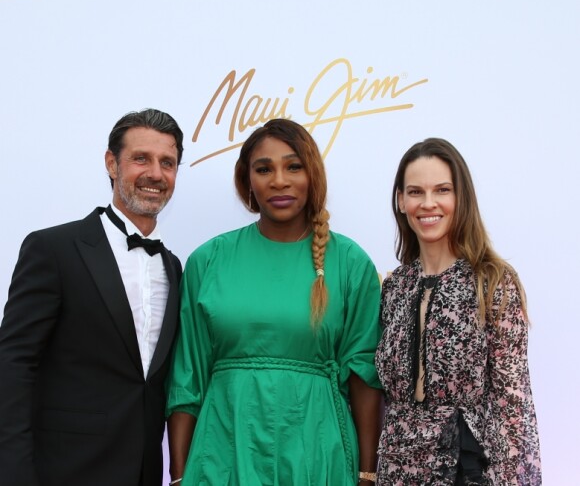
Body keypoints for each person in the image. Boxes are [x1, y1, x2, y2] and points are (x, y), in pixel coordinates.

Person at [166, 118, 382, 485]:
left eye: (293, 166)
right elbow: (188, 377)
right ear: (247, 180)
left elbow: (364, 374)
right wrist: (179, 474)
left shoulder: (350, 263)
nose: (279, 180)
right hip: (222, 454)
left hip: (318, 452)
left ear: (312, 174)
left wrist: (367, 473)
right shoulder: (208, 261)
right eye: (264, 169)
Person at [0, 108, 184, 486]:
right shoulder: (53, 249)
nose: (155, 173)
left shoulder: (174, 266)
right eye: (141, 159)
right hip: (63, 471)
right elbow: (13, 367)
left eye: (168, 162)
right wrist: (14, 473)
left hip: (145, 472)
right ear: (112, 164)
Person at [375, 138, 542, 485]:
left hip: (464, 470)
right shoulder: (394, 288)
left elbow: (514, 407)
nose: (429, 203)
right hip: (396, 471)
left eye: (442, 190)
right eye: (416, 192)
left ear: (460, 197)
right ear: (401, 201)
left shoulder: (493, 282)